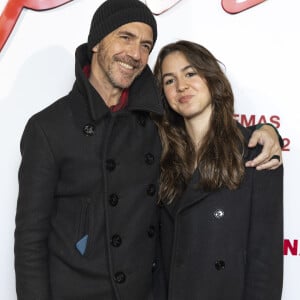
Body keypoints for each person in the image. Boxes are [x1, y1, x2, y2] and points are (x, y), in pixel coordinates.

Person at [14, 0, 282, 299]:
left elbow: (205, 130)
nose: (135, 54)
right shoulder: (49, 128)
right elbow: (30, 241)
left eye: (146, 45)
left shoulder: (153, 122)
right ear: (97, 42)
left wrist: (266, 131)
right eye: (125, 37)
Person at [153, 40, 283, 300]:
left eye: (190, 73)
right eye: (169, 80)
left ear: (212, 78)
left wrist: (269, 129)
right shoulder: (160, 154)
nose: (181, 86)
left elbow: (265, 262)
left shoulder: (256, 152)